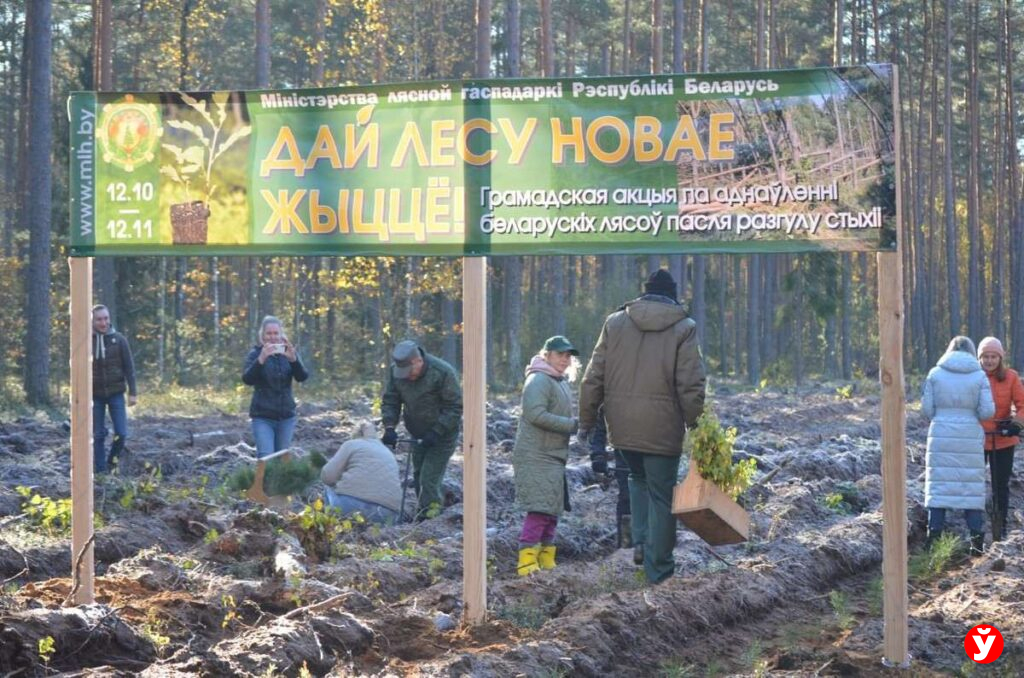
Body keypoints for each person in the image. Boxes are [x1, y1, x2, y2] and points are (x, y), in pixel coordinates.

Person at [579, 269, 706, 584]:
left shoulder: (615, 322)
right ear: (673, 296)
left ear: (644, 293)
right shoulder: (684, 328)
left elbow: (593, 375)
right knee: (662, 497)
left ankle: (639, 542)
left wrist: (587, 418)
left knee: (636, 480)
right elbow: (690, 383)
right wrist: (698, 426)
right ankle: (659, 570)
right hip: (663, 428)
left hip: (621, 426)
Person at [512, 336, 581, 576]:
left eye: (568, 355)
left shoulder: (558, 380)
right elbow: (535, 414)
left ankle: (546, 559)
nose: (565, 359)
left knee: (551, 510)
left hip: (552, 455)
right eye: (560, 354)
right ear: (547, 355)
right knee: (539, 509)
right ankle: (527, 562)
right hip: (536, 454)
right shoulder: (539, 379)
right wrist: (571, 425)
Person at [922, 336, 995, 555]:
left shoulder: (935, 374)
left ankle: (933, 540)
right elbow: (987, 412)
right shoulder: (979, 376)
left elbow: (927, 409)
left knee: (938, 487)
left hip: (941, 431)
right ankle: (975, 544)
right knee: (970, 489)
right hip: (969, 434)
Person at [381, 340, 462, 519]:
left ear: (418, 361)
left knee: (428, 479)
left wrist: (437, 431)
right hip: (417, 432)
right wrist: (389, 427)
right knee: (418, 477)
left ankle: (431, 521)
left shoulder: (442, 372)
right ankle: (434, 506)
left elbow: (455, 407)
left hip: (442, 435)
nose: (407, 377)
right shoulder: (397, 373)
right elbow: (391, 400)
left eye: (410, 372)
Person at [977, 336, 1024, 542]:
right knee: (975, 484)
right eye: (985, 357)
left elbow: (1022, 404)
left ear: (1000, 357)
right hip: (977, 438)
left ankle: (1001, 525)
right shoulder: (974, 377)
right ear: (979, 358)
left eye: (993, 356)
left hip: (1002, 438)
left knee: (1000, 485)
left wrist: (1016, 424)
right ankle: (976, 527)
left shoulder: (1011, 377)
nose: (989, 361)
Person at [242, 316, 309, 458]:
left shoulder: (289, 352)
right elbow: (247, 379)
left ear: (281, 334)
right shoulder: (255, 354)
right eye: (269, 333)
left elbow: (302, 377)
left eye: (275, 333)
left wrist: (293, 360)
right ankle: (264, 481)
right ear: (262, 335)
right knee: (266, 457)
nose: (272, 337)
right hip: (262, 417)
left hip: (286, 417)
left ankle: (279, 481)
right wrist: (261, 359)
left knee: (281, 458)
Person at [320, 421, 402, 525]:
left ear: (355, 434)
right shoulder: (388, 452)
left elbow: (327, 476)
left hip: (352, 507)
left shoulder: (352, 444)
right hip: (389, 515)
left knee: (328, 488)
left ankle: (331, 527)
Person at [92, 304, 138, 474]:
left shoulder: (119, 340)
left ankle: (112, 462)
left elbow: (129, 367)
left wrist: (133, 392)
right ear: (92, 320)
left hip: (116, 393)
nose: (103, 323)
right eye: (99, 319)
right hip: (94, 395)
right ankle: (100, 470)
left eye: (106, 318)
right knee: (97, 435)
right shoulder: (86, 340)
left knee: (121, 433)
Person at [589, 407, 634, 554]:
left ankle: (642, 548)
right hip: (626, 448)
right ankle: (627, 549)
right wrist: (598, 454)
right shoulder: (612, 388)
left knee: (640, 498)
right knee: (628, 498)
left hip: (650, 448)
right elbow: (601, 417)